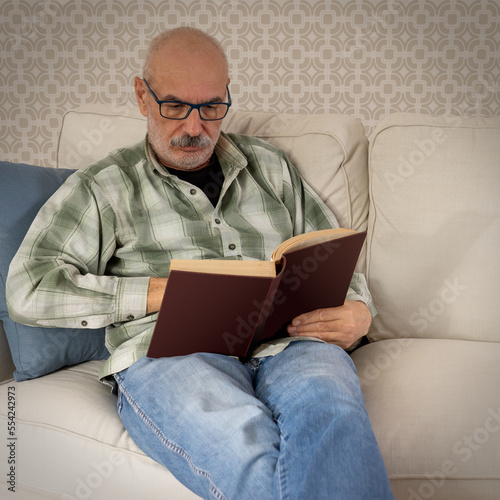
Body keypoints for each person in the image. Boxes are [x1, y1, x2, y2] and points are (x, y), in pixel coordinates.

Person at [7, 27, 394, 500]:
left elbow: (336, 257)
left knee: (333, 414)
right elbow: (29, 288)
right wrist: (159, 292)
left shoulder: (272, 168)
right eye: (174, 106)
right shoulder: (104, 186)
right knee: (246, 453)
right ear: (141, 96)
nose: (194, 127)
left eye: (211, 107)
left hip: (292, 344)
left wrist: (360, 311)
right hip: (170, 354)